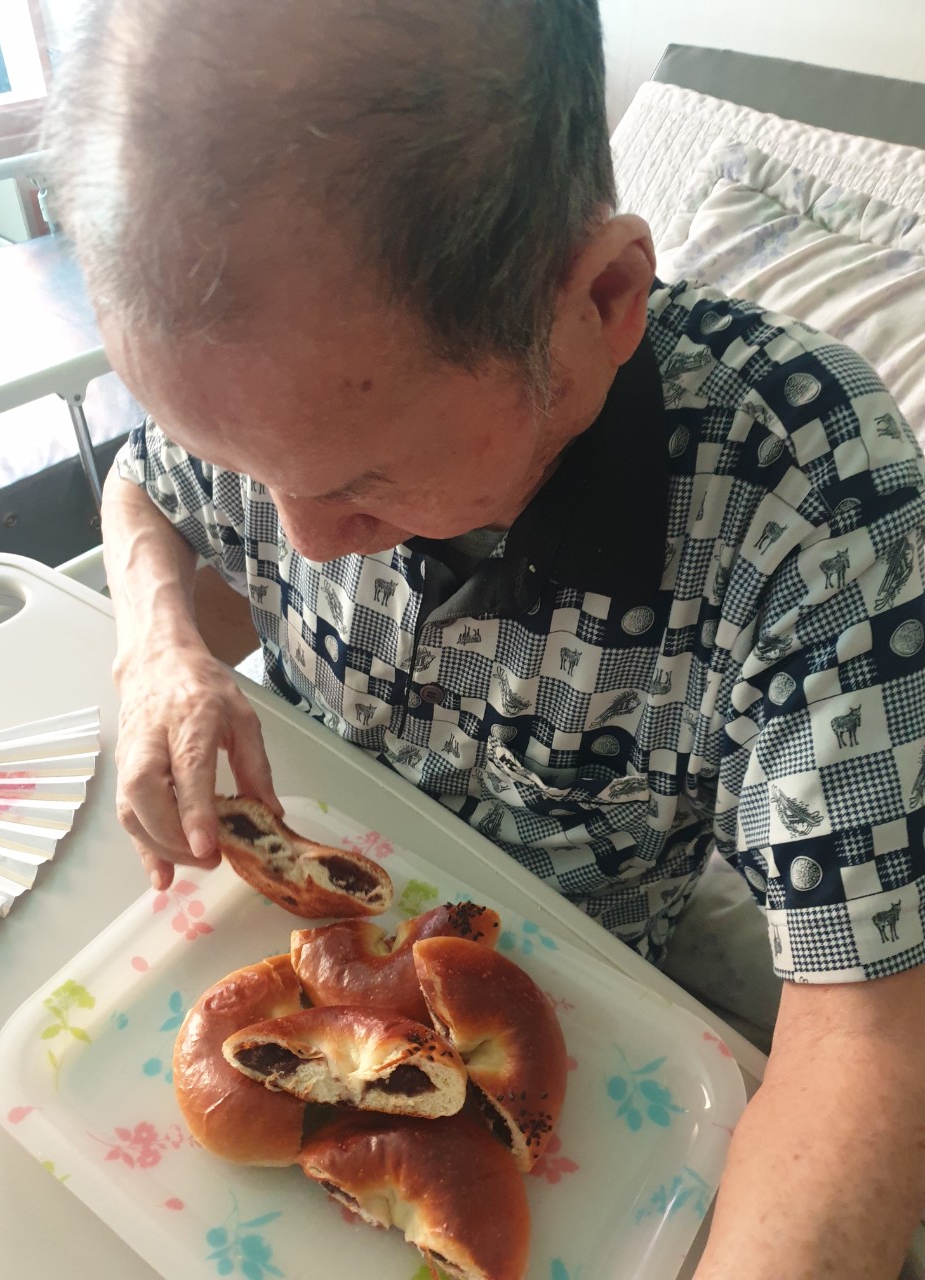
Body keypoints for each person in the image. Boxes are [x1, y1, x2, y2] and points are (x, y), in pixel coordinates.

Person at [45, 1, 925, 1274]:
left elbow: (872, 1036)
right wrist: (160, 651)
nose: (303, 543)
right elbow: (147, 487)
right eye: (238, 455)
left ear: (603, 301)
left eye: (364, 479)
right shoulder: (281, 382)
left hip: (593, 1014)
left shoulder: (814, 498)